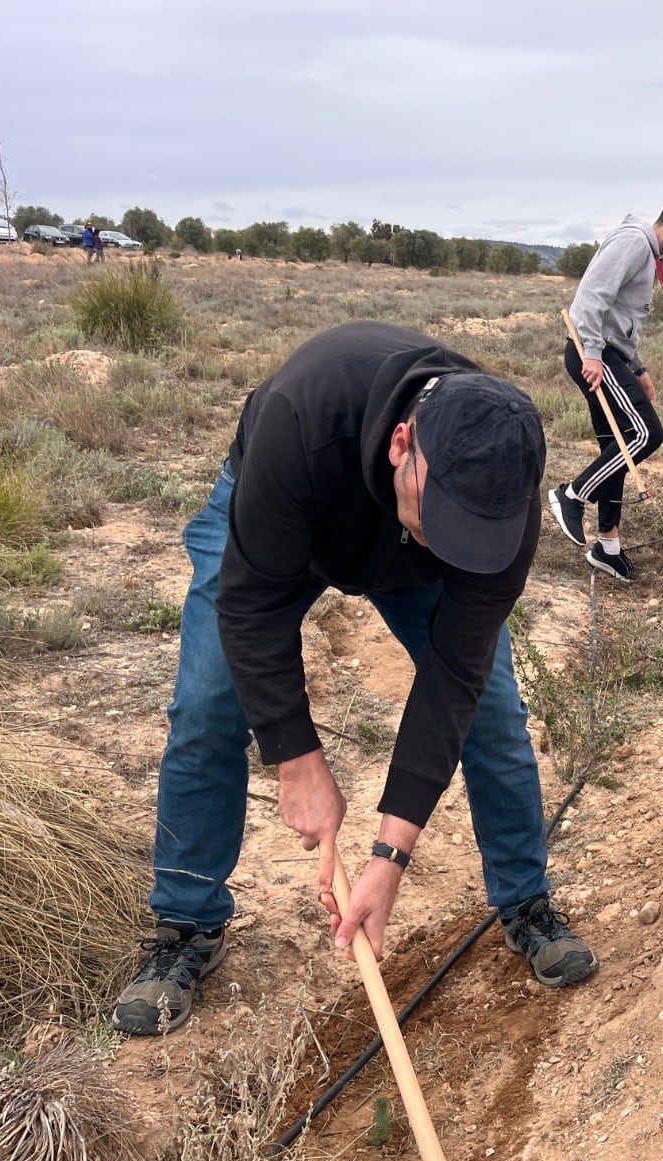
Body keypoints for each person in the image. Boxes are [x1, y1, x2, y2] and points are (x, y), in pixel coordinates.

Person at [112, 321, 599, 1036]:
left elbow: (453, 677)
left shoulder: (504, 503)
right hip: (285, 513)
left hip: (399, 553)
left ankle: (525, 901)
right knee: (211, 703)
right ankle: (187, 926)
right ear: (403, 445)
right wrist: (297, 758)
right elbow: (249, 610)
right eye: (445, 522)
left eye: (475, 536)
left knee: (493, 711)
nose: (456, 545)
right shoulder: (302, 422)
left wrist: (388, 857)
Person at [548, 196, 663, 581]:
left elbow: (622, 319)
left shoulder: (646, 251)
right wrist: (592, 353)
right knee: (645, 434)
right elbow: (591, 297)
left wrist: (638, 368)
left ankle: (607, 548)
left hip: (608, 354)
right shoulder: (635, 242)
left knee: (616, 447)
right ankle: (571, 496)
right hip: (594, 353)